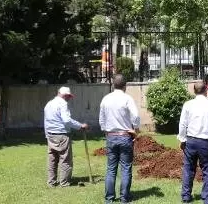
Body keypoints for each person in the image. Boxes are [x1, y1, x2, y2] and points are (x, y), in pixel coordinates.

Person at [178, 81, 208, 204]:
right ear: (206, 89)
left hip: (191, 141)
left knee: (188, 169)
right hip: (206, 142)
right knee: (207, 170)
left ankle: (186, 196)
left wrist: (182, 139)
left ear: (194, 90)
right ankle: (207, 198)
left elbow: (182, 124)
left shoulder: (188, 105)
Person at [99, 74, 140, 204]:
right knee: (126, 168)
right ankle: (124, 198)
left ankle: (109, 199)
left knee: (111, 168)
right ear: (125, 85)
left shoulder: (106, 99)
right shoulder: (127, 99)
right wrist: (136, 129)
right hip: (125, 136)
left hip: (111, 136)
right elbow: (136, 116)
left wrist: (106, 130)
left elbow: (101, 119)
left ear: (113, 84)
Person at [43, 86, 89, 187]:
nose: (69, 98)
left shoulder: (49, 104)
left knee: (52, 159)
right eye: (69, 96)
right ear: (65, 95)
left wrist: (47, 135)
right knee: (65, 159)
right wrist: (80, 126)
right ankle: (64, 182)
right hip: (62, 135)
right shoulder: (63, 104)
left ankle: (51, 182)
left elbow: (46, 121)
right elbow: (67, 120)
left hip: (50, 135)